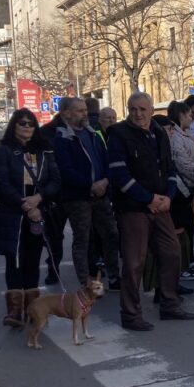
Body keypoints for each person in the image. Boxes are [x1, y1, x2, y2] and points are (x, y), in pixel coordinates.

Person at [108, 92, 194, 331]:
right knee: (134, 262)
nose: (138, 114)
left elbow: (169, 168)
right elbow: (118, 174)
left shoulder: (159, 132)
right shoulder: (118, 134)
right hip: (133, 208)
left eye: (142, 109)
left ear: (151, 110)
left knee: (172, 252)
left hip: (160, 206)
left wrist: (168, 197)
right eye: (133, 109)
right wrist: (147, 198)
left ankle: (170, 304)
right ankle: (130, 314)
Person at [0, 109, 61, 328]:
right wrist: (25, 204)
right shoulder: (4, 151)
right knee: (14, 259)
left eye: (31, 123)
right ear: (14, 125)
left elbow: (55, 180)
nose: (27, 126)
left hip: (39, 210)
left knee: (32, 258)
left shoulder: (44, 150)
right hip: (12, 214)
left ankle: (33, 310)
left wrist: (38, 199)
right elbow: (1, 183)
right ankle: (14, 311)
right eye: (22, 123)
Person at [52, 97, 120, 288]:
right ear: (66, 114)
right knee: (82, 240)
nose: (85, 114)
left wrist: (105, 181)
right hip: (78, 198)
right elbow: (66, 171)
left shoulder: (93, 135)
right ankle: (86, 283)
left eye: (85, 110)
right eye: (79, 111)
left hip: (102, 193)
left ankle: (114, 276)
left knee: (111, 234)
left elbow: (106, 161)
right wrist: (90, 185)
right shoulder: (62, 139)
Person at [166, 101, 194, 279]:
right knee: (183, 228)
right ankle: (184, 264)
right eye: (188, 115)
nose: (192, 118)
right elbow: (183, 163)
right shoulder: (175, 136)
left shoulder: (184, 134)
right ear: (181, 115)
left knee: (190, 227)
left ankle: (190, 260)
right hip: (184, 188)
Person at [38, 112, 68, 285]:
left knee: (85, 236)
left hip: (79, 191)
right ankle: (53, 269)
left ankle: (91, 273)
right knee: (54, 235)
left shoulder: (82, 130)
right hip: (56, 194)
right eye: (79, 110)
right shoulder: (46, 132)